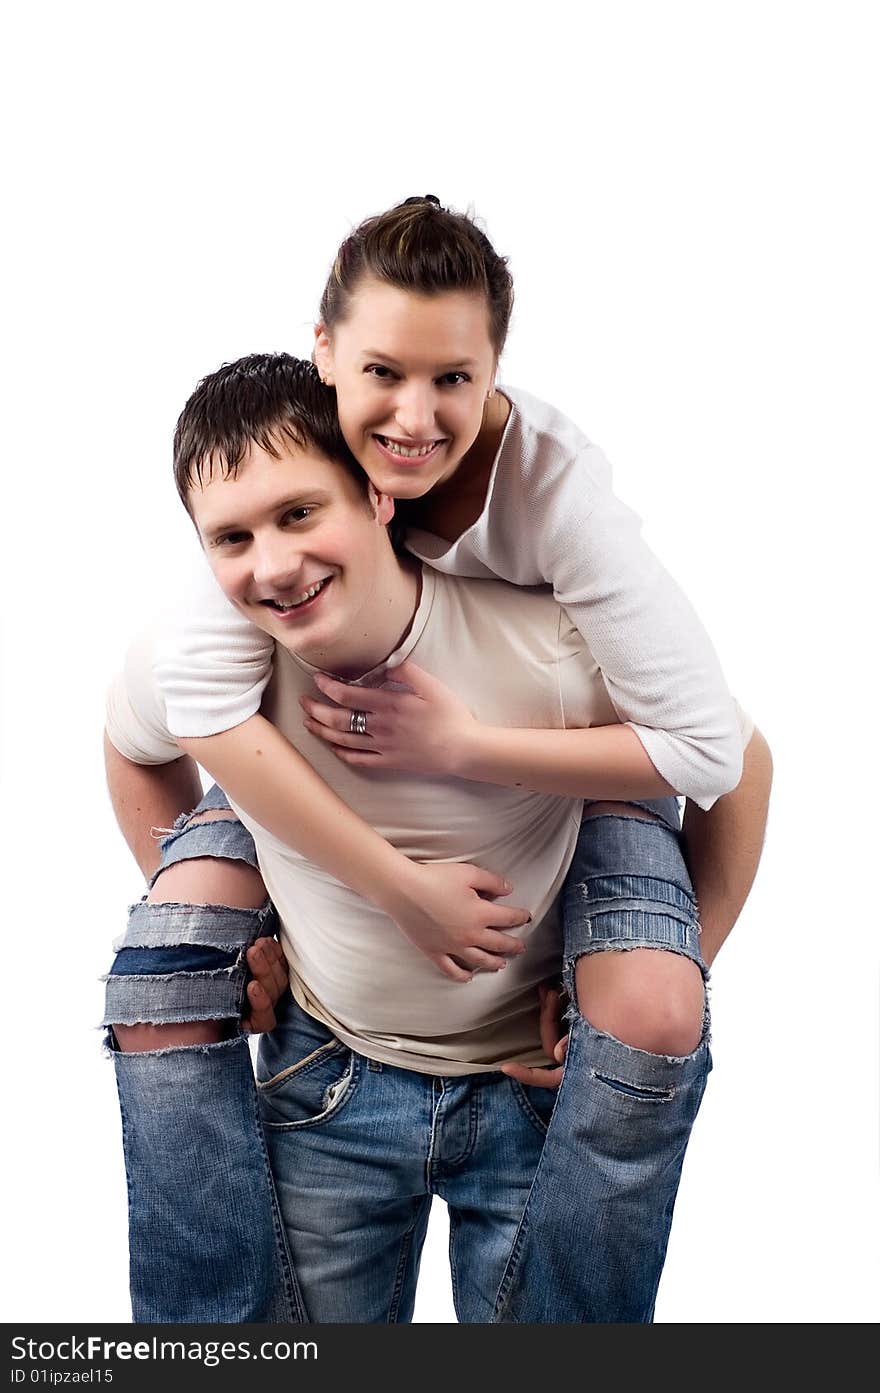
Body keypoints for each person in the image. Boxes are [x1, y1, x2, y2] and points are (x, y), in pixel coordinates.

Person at [105, 351, 771, 1322]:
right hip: (329, 1076)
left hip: (527, 1096)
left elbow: (734, 760)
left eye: (301, 513)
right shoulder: (219, 657)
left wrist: (675, 964)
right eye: (233, 538)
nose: (276, 565)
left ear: (376, 497)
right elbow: (129, 746)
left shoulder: (532, 645)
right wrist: (246, 938)